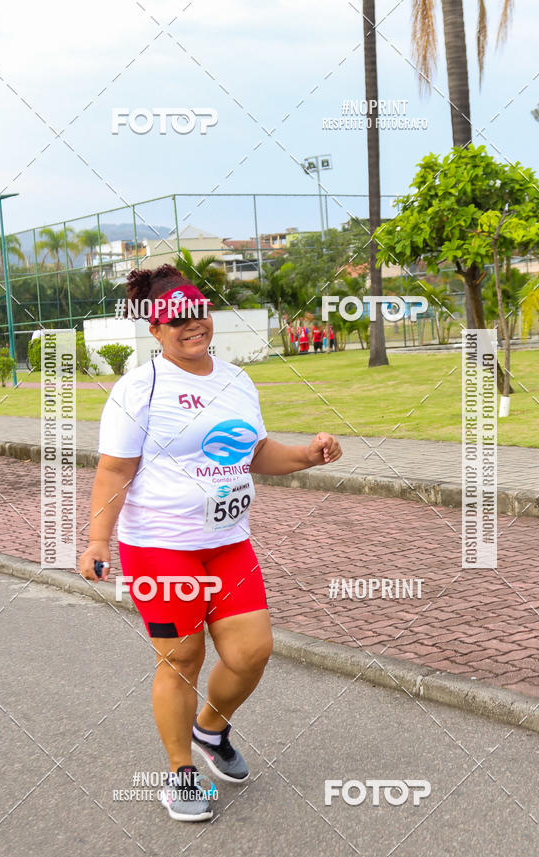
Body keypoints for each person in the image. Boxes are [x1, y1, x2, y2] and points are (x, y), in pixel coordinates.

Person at [78, 264, 342, 823]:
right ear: (154, 328)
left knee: (251, 654)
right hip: (161, 546)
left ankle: (210, 731)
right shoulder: (140, 387)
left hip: (228, 543)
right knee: (181, 659)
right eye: (175, 319)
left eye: (197, 313)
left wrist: (305, 454)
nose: (190, 326)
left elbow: (255, 452)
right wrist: (98, 538)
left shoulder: (236, 380)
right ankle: (180, 775)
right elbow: (114, 469)